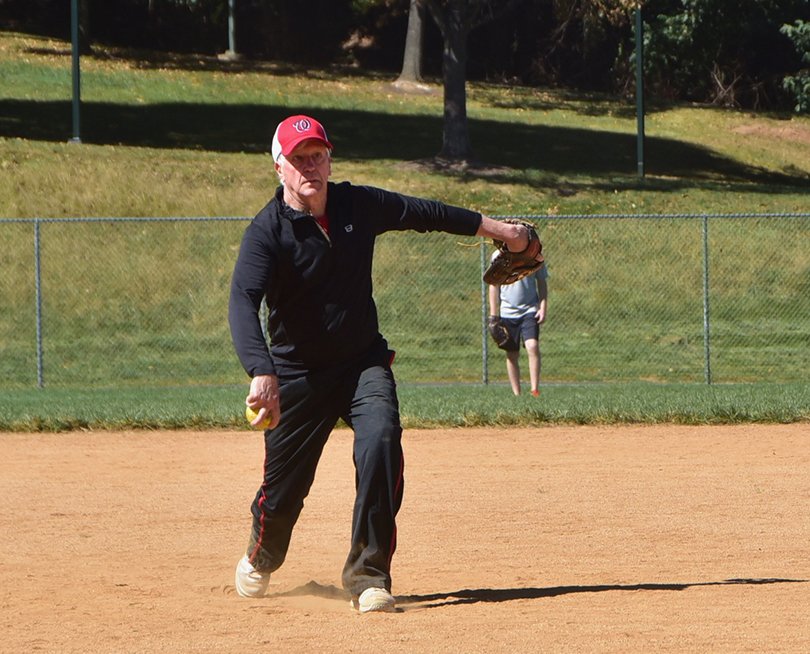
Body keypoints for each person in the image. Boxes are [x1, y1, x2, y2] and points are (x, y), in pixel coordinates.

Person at [228, 115, 537, 613]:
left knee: (381, 441)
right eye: (299, 157)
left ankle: (369, 575)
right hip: (297, 375)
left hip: (360, 364)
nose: (310, 165)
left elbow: (425, 212)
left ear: (329, 158)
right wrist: (260, 370)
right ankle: (262, 555)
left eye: (317, 154)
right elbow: (243, 299)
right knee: (282, 495)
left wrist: (499, 230)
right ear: (279, 166)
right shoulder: (267, 232)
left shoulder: (356, 204)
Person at [488, 261, 548, 396]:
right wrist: (493, 315)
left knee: (532, 346)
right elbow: (494, 285)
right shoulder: (499, 256)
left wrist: (543, 307)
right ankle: (517, 394)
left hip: (530, 309)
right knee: (512, 354)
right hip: (507, 313)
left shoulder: (534, 253)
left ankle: (535, 390)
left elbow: (542, 282)